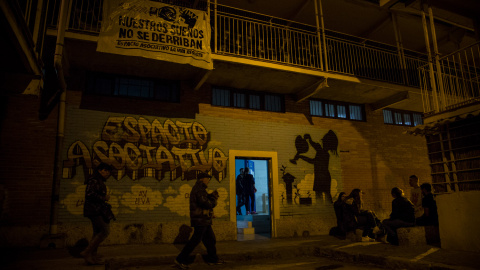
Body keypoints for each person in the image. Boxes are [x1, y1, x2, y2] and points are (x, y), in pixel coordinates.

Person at [175, 173, 225, 269]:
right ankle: (179, 260)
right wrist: (213, 200)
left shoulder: (200, 189)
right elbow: (205, 203)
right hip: (201, 220)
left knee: (210, 239)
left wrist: (210, 196)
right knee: (195, 241)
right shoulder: (199, 189)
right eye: (207, 179)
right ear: (202, 179)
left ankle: (213, 259)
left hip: (204, 219)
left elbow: (202, 202)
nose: (208, 181)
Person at [80, 162, 115, 265]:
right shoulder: (94, 180)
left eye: (108, 171)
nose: (107, 173)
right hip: (94, 210)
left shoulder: (97, 180)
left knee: (96, 233)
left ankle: (92, 257)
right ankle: (87, 252)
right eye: (106, 171)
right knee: (105, 231)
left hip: (95, 209)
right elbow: (90, 194)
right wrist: (104, 198)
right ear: (100, 170)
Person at [290, 131, 338, 203]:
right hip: (321, 176)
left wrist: (301, 156)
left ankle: (325, 210)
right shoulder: (322, 151)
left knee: (321, 196)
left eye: (324, 141)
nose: (323, 142)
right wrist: (309, 140)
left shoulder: (323, 153)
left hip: (322, 177)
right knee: (324, 195)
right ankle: (326, 210)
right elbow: (315, 146)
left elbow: (313, 161)